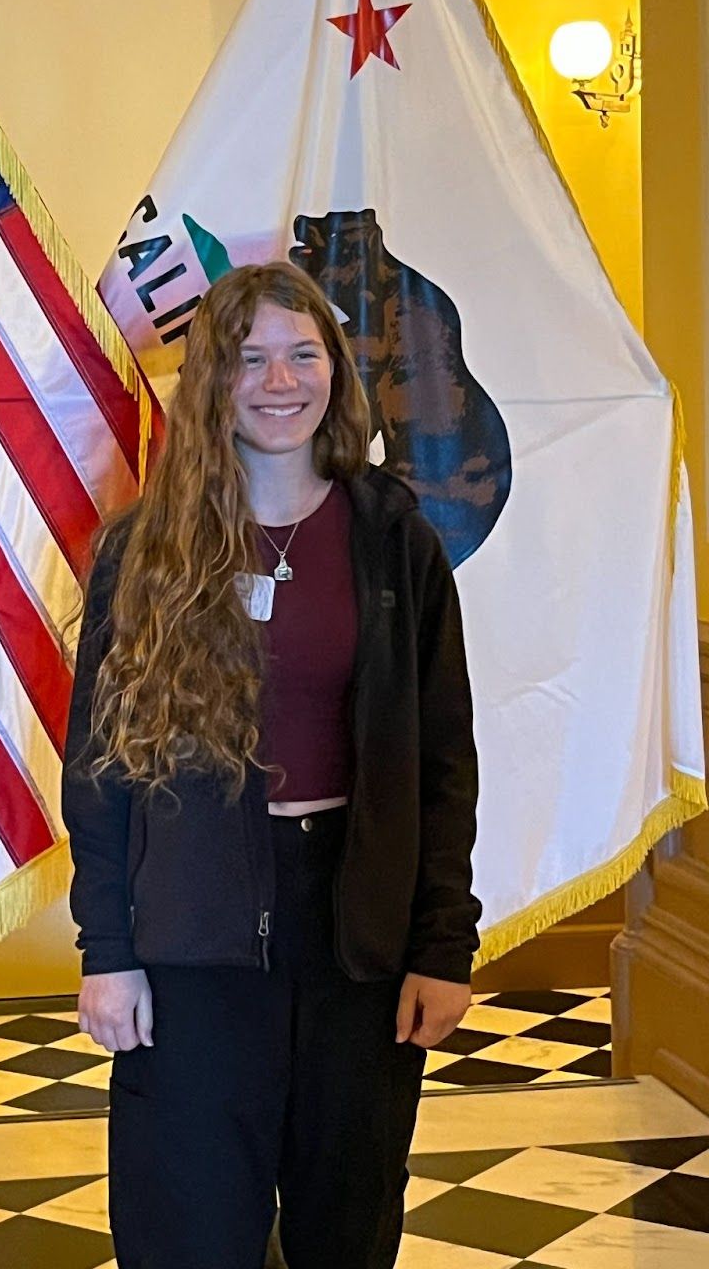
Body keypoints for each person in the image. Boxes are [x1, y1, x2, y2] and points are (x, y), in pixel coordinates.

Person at [61, 260, 481, 1269]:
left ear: (335, 370)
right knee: (189, 1232)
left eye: (302, 354)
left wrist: (442, 946)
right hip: (194, 942)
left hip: (357, 940)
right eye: (251, 359)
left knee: (349, 1226)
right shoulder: (144, 553)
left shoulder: (395, 542)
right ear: (213, 379)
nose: (280, 381)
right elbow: (100, 770)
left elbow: (442, 761)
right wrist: (107, 950)